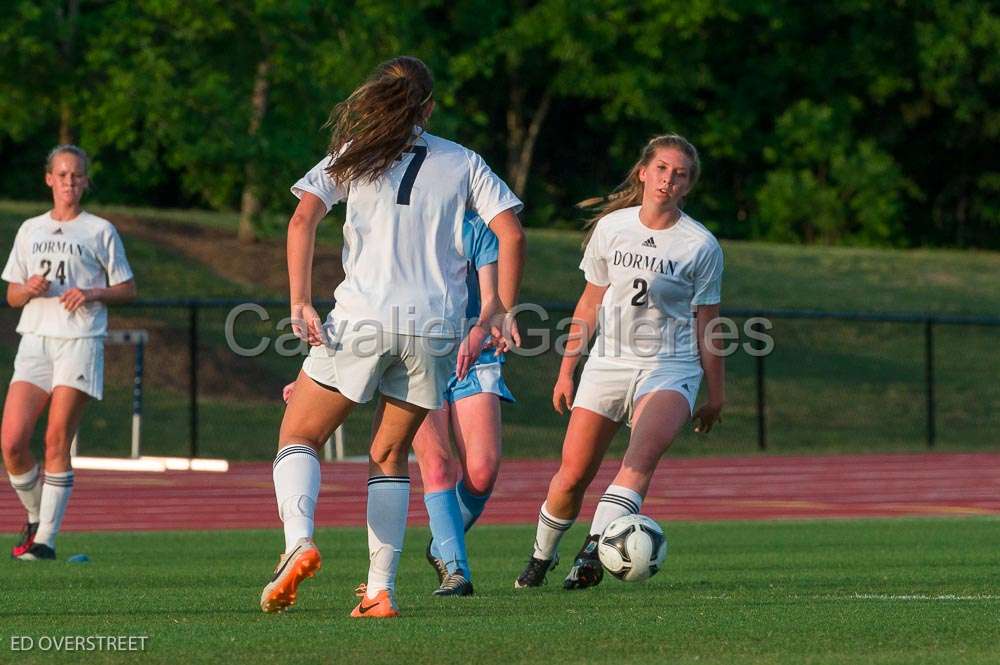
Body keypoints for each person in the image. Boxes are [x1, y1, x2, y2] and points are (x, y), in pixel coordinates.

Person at [259, 56, 525, 619]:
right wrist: (498, 308)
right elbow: (510, 228)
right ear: (429, 106)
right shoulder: (462, 161)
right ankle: (380, 591)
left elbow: (302, 219)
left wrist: (300, 300)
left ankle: (297, 543)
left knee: (299, 436)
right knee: (390, 456)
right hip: (433, 329)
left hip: (362, 318)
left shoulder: (355, 153)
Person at [513, 134, 724, 590]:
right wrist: (567, 368)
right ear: (643, 172)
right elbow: (590, 302)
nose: (669, 179)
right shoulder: (613, 228)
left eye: (681, 174)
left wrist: (716, 394)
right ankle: (539, 557)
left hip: (671, 367)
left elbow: (709, 325)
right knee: (571, 476)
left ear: (689, 186)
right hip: (608, 362)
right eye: (662, 169)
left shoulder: (700, 246)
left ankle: (590, 556)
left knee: (637, 461)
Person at [279, 211, 515, 599]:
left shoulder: (476, 226)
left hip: (474, 351)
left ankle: (440, 541)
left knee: (483, 471)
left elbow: (494, 292)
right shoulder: (397, 217)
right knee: (436, 464)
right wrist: (316, 377)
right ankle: (455, 569)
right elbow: (369, 297)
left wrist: (487, 325)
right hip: (420, 348)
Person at [2, 145, 137, 561]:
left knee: (56, 438)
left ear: (86, 181)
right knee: (11, 443)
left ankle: (45, 541)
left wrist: (93, 292)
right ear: (48, 179)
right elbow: (12, 295)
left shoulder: (99, 230)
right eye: (62, 175)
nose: (69, 183)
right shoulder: (30, 229)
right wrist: (29, 289)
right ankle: (35, 517)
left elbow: (127, 288)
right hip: (36, 340)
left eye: (76, 176)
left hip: (80, 341)